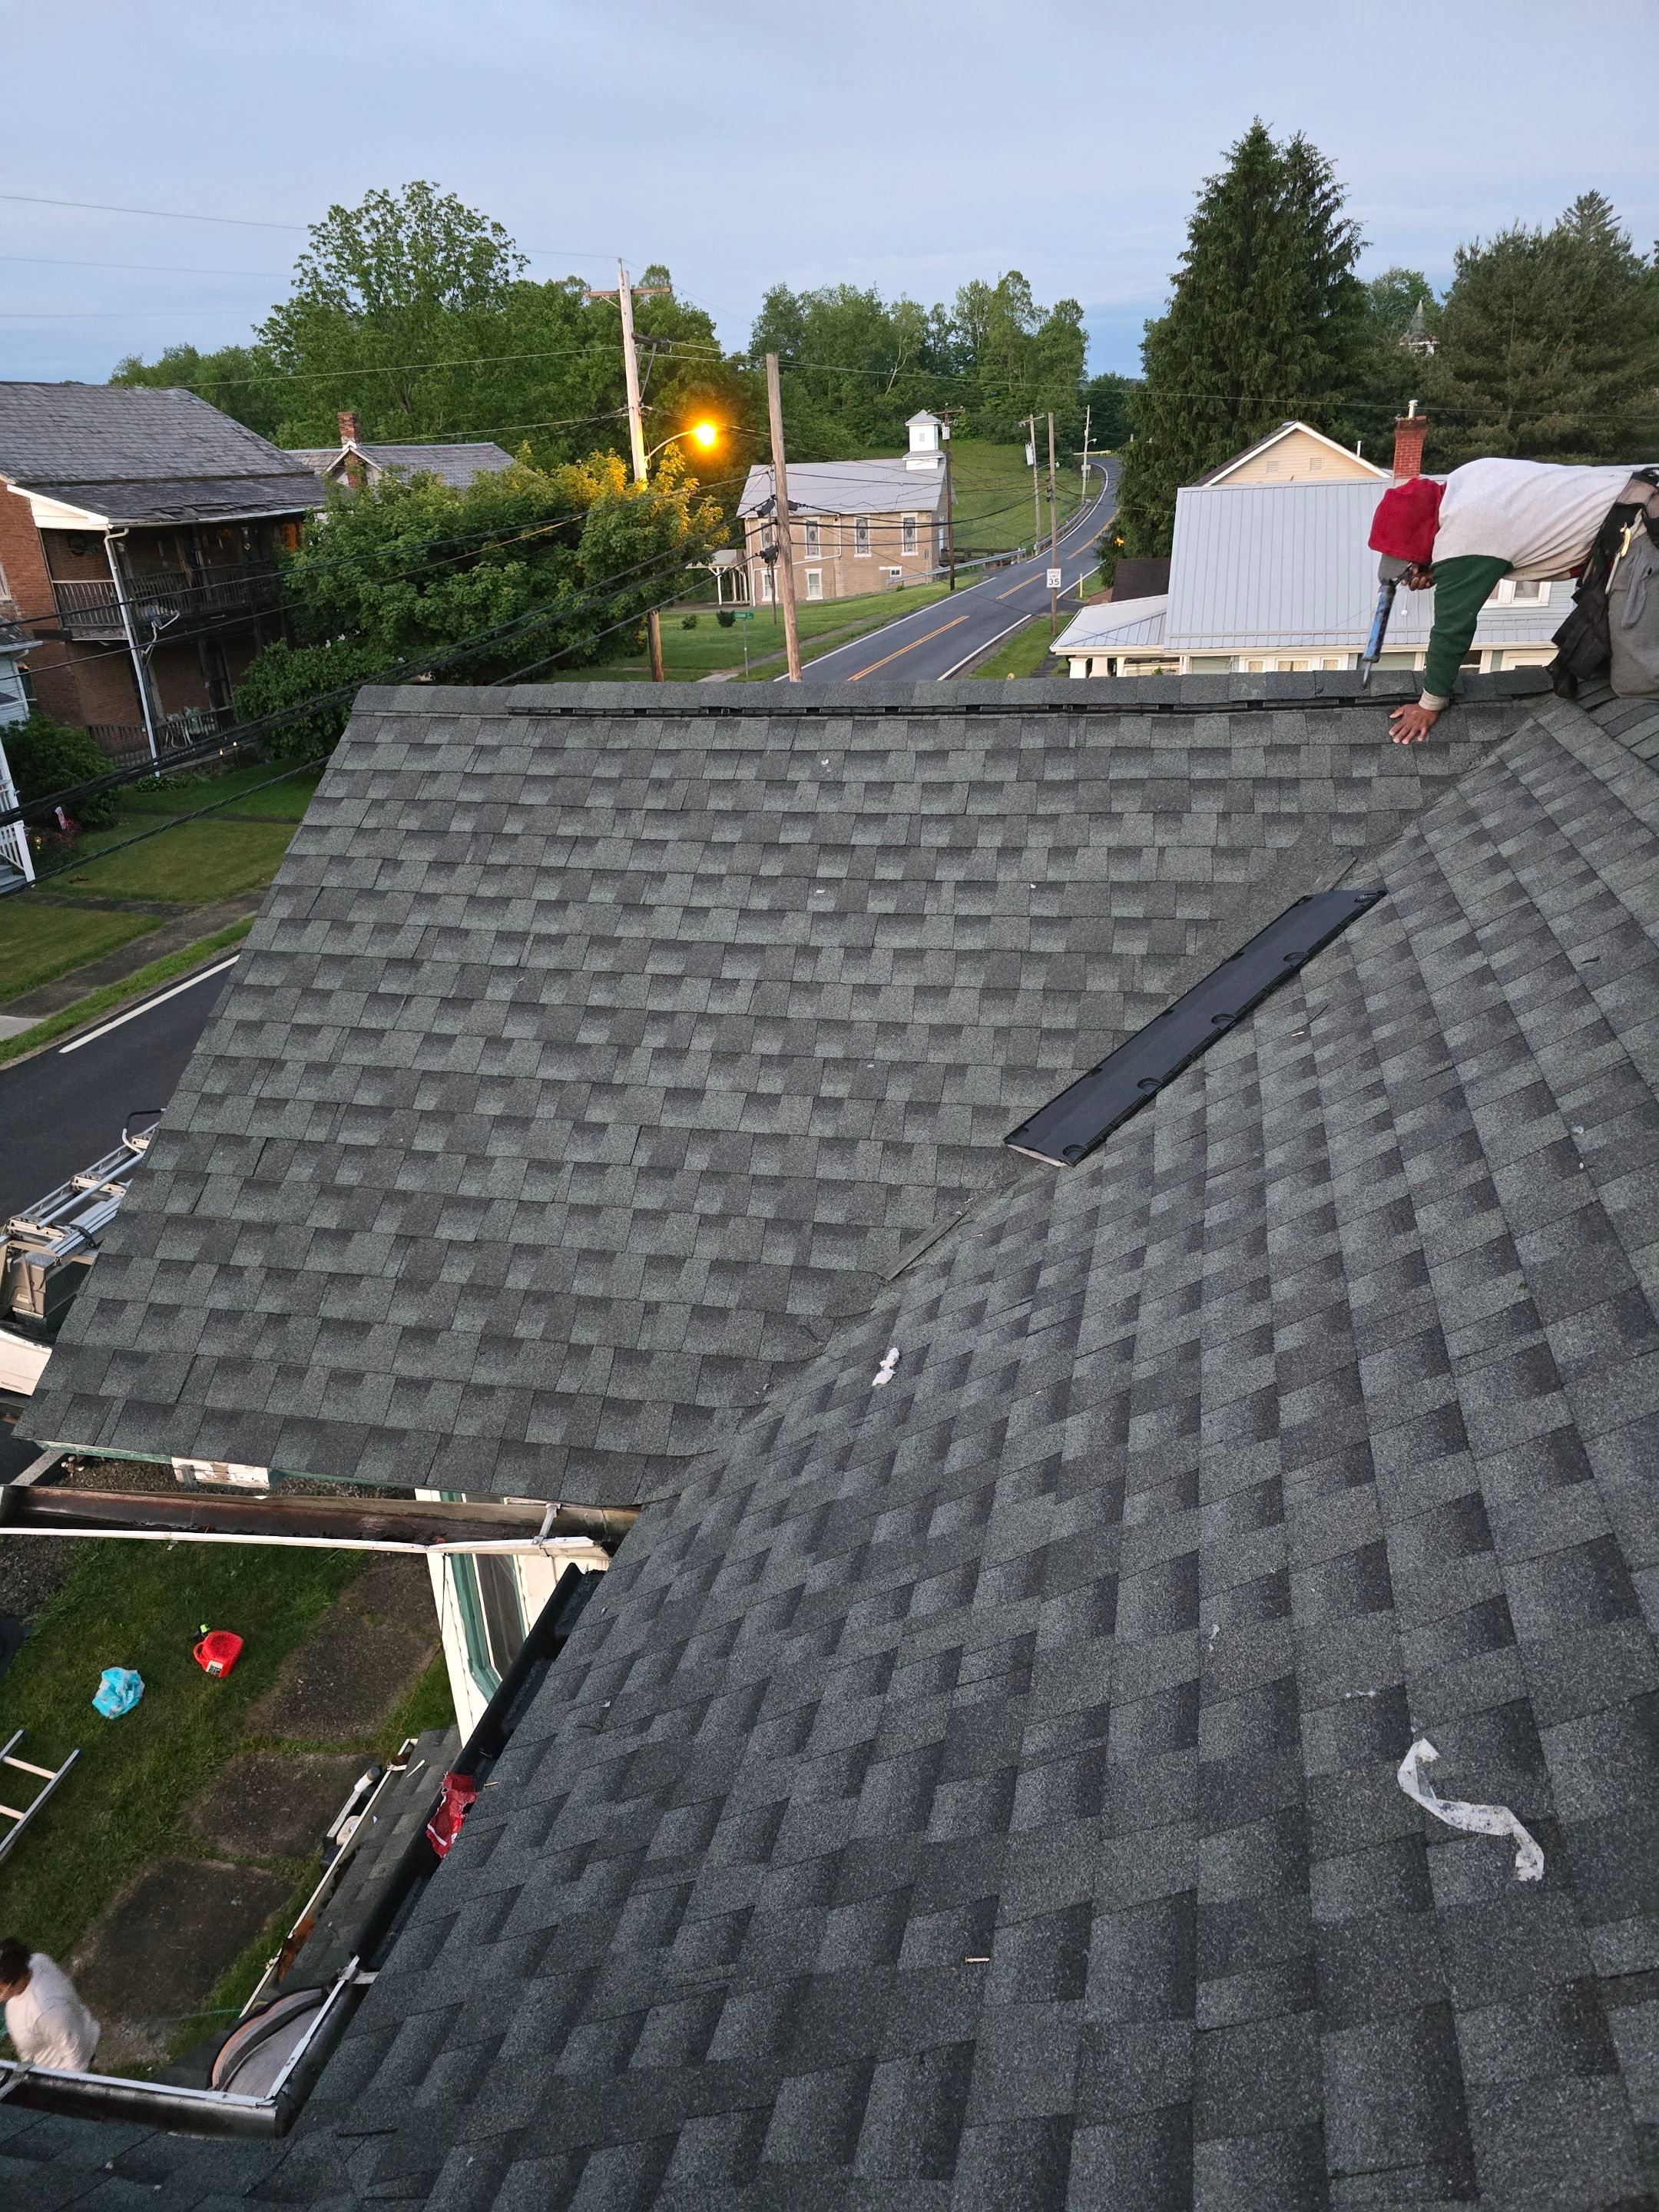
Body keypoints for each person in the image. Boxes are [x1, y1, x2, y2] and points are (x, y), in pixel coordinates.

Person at [1369, 457, 1656, 744]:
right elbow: (1499, 536)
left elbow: (1451, 630)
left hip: (1643, 537)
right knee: (1601, 660)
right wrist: (1437, 566)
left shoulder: (1465, 540)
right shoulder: (1464, 483)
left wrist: (1429, 705)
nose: (1413, 573)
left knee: (1638, 680)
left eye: (1411, 564)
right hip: (1635, 505)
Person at [0, 1936, 99, 2074]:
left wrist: (71, 2088)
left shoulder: (46, 2010)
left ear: (15, 1981)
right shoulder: (37, 1961)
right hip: (41, 2057)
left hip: (61, 2070)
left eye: (0, 1989)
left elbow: (75, 2055)